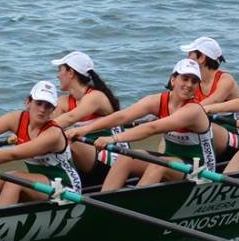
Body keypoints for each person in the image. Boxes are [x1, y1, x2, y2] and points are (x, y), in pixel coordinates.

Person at [65, 58, 215, 190]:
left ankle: (132, 207)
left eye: (194, 81)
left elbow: (152, 128)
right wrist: (84, 130)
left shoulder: (193, 110)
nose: (189, 85)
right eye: (185, 78)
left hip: (200, 169)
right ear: (173, 80)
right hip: (172, 159)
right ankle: (105, 202)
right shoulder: (158, 100)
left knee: (158, 165)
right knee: (126, 158)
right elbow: (122, 116)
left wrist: (113, 139)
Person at [48, 52, 119, 179]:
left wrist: (39, 132)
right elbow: (48, 122)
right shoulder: (63, 102)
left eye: (60, 70)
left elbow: (70, 118)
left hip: (111, 158)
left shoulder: (95, 96)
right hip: (87, 158)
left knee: (67, 141)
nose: (57, 75)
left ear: (71, 73)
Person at [185, 38, 239, 159]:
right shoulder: (195, 82)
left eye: (189, 54)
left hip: (237, 136)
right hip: (211, 136)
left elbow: (214, 100)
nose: (186, 58)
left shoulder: (225, 80)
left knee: (198, 126)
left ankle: (201, 167)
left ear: (201, 58)